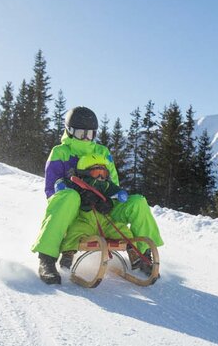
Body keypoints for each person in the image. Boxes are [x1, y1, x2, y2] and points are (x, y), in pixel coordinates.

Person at [32, 106, 163, 284]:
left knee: (138, 201)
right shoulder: (60, 153)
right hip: (75, 212)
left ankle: (143, 254)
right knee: (69, 197)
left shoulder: (102, 152)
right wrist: (80, 196)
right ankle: (46, 259)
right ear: (69, 131)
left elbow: (112, 184)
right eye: (80, 134)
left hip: (104, 209)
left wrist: (108, 200)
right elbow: (52, 191)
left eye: (90, 134)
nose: (86, 138)